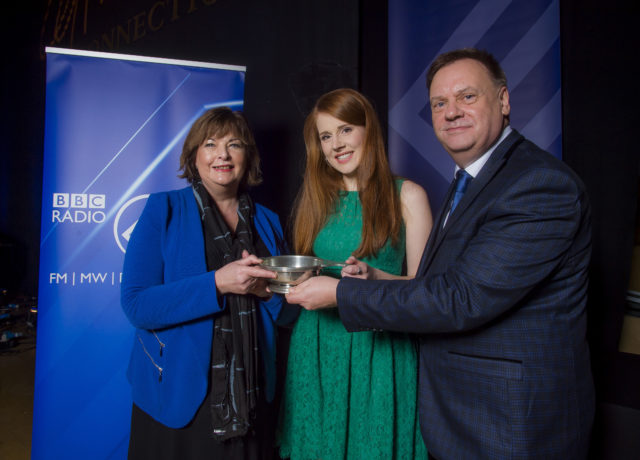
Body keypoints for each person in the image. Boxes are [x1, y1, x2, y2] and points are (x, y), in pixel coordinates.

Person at [286, 49, 595, 459]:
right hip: (460, 413)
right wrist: (374, 278)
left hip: (509, 420)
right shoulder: (470, 181)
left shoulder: (538, 184)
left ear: (503, 101)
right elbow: (438, 284)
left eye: (467, 97)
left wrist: (341, 294)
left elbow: (459, 298)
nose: (451, 112)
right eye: (439, 103)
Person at [121, 107, 294, 460]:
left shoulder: (269, 222)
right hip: (180, 396)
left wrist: (265, 293)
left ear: (248, 157)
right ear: (193, 156)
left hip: (252, 393)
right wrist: (218, 282)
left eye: (235, 144)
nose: (222, 155)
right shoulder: (164, 210)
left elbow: (290, 314)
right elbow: (137, 305)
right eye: (210, 144)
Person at [277, 88, 433, 459]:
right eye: (325, 136)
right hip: (316, 348)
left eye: (345, 130)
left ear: (369, 130)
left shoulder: (407, 196)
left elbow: (427, 292)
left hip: (378, 350)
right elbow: (305, 273)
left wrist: (375, 278)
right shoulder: (315, 200)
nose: (336, 145)